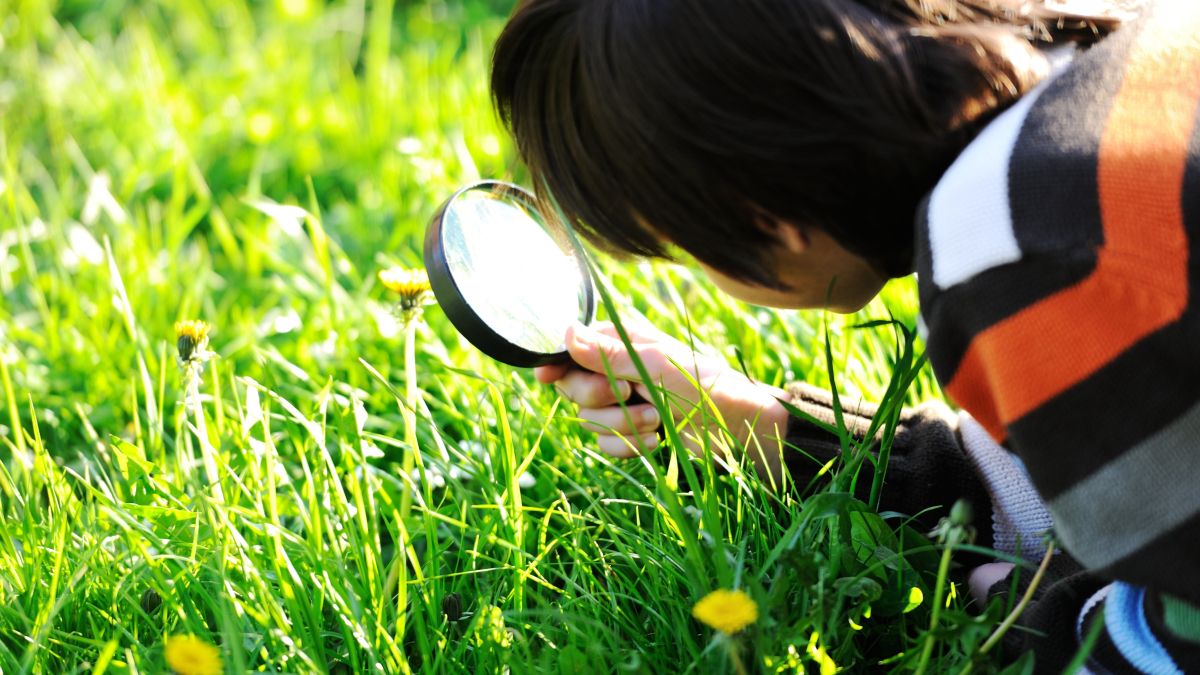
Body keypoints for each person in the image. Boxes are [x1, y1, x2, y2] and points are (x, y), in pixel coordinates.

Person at [489, 0, 1200, 672]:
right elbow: (1131, 463)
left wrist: (1045, 622)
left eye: (679, 246)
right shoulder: (1127, 70)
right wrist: (772, 434)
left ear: (763, 215)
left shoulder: (1017, 249)